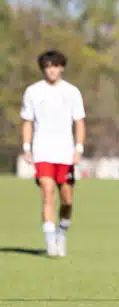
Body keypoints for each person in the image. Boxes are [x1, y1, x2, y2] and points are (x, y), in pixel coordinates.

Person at [20, 50, 86, 257]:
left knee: (67, 200)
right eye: (48, 67)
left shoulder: (72, 92)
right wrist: (27, 147)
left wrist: (78, 149)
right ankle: (50, 242)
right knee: (47, 192)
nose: (52, 71)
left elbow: (79, 122)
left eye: (55, 66)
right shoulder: (32, 92)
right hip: (43, 152)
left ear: (62, 68)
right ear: (43, 69)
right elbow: (27, 121)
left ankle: (61, 233)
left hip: (65, 153)